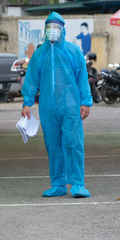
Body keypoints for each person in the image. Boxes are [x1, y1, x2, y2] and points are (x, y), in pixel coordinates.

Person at [21, 12, 92, 198]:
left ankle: (77, 183)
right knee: (53, 144)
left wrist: (85, 101)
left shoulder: (73, 51)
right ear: (45, 30)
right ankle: (58, 184)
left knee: (74, 143)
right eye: (49, 27)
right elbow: (31, 80)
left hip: (70, 106)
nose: (52, 30)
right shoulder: (39, 54)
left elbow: (82, 78)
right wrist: (27, 103)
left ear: (63, 30)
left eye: (56, 27)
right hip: (47, 107)